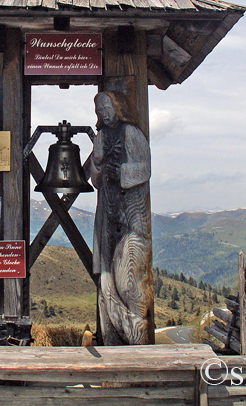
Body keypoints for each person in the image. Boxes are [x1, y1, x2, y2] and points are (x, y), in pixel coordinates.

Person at [90, 91, 154, 345]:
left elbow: (145, 168)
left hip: (131, 215)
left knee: (129, 283)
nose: (104, 113)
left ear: (117, 107)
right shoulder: (101, 137)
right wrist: (100, 169)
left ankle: (135, 335)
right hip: (107, 211)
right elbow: (94, 173)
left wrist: (122, 171)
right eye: (99, 110)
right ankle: (112, 337)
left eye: (107, 107)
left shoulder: (131, 133)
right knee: (106, 280)